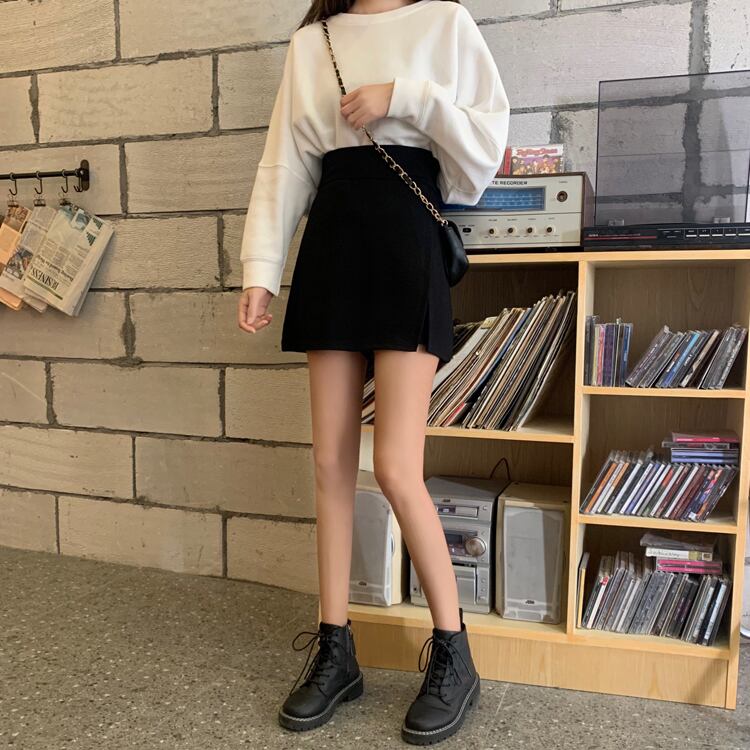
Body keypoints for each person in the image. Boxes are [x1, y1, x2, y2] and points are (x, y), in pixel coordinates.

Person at [237, 0, 510, 744]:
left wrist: (405, 97)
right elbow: (285, 163)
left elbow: (481, 156)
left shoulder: (446, 24)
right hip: (332, 245)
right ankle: (336, 649)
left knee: (394, 465)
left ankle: (453, 653)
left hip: (405, 243)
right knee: (329, 462)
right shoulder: (313, 43)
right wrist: (260, 269)